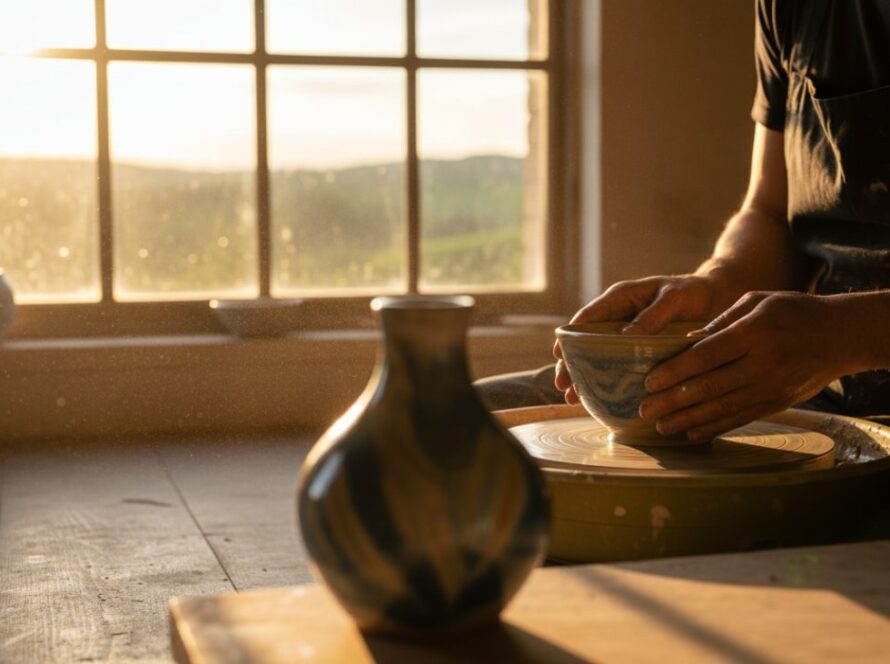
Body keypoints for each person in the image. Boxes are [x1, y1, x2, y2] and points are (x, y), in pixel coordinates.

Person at [477, 0, 890, 438]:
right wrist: (713, 285)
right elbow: (768, 211)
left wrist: (842, 334)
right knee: (448, 418)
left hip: (846, 380)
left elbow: (838, 334)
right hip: (810, 385)